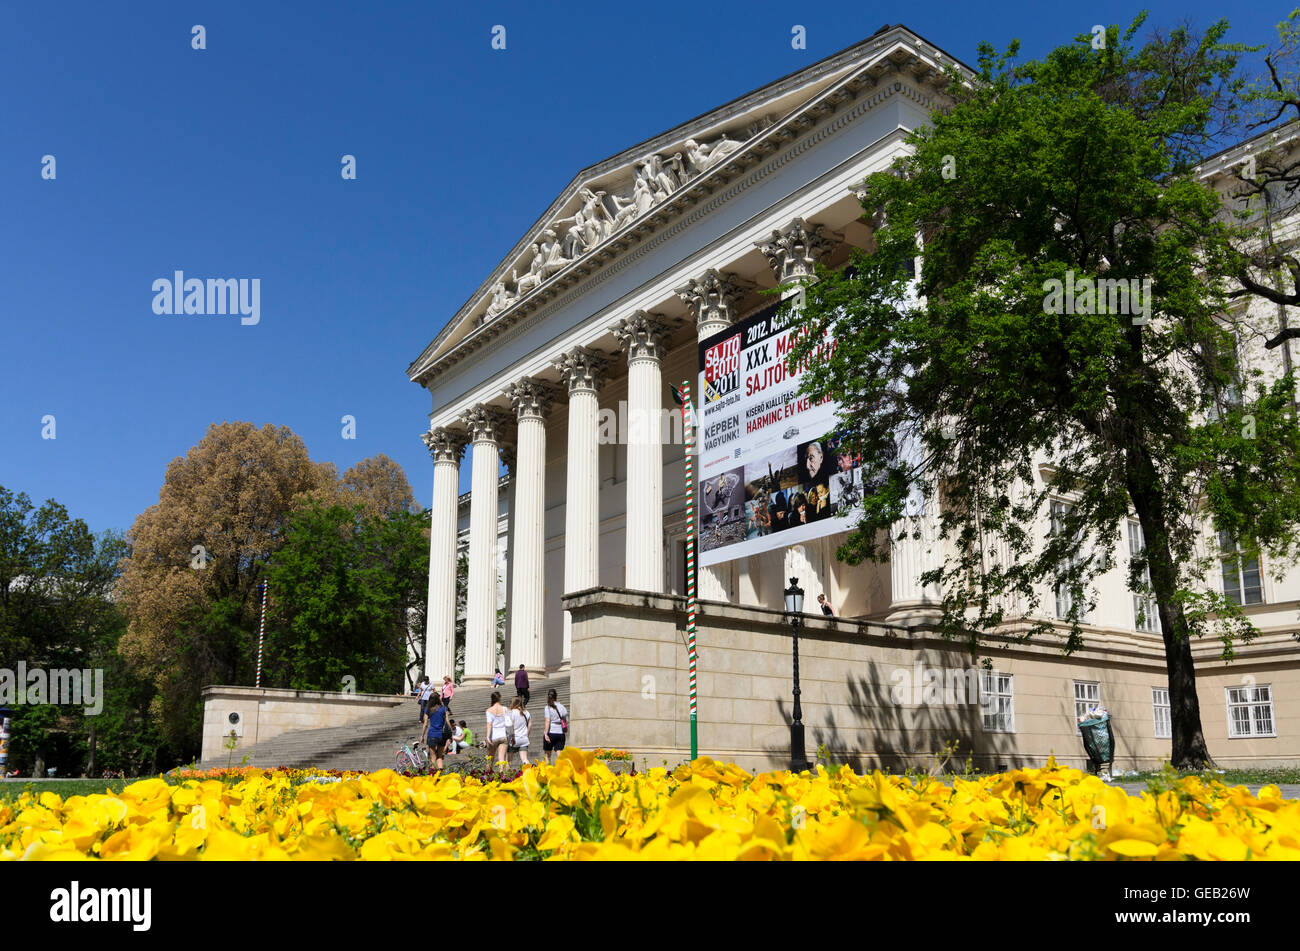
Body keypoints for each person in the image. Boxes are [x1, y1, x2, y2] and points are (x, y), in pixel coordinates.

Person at [422, 694, 451, 772]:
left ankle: (433, 775)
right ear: (438, 699)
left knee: (432, 757)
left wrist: (422, 736)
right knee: (439, 756)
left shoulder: (427, 709)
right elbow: (447, 722)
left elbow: (425, 724)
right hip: (441, 735)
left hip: (432, 734)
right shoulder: (444, 709)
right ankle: (440, 774)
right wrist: (450, 734)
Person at [485, 691, 511, 770]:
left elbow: (489, 724)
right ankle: (502, 776)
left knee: (490, 759)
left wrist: (488, 737)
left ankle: (487, 775)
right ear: (500, 698)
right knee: (501, 759)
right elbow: (509, 722)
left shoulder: (489, 710)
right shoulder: (505, 709)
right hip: (503, 735)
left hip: (494, 737)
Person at [543, 689, 568, 765]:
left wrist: (546, 733)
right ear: (556, 696)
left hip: (551, 732)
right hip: (560, 732)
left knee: (547, 755)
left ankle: (548, 771)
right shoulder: (562, 707)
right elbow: (566, 720)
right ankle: (561, 770)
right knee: (559, 753)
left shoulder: (547, 708)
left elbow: (547, 721)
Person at [509, 697, 532, 765]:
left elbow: (510, 727)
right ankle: (531, 773)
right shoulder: (526, 712)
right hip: (524, 739)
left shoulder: (511, 713)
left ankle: (507, 775)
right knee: (525, 759)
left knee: (509, 761)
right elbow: (530, 725)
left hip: (513, 739)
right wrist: (526, 735)